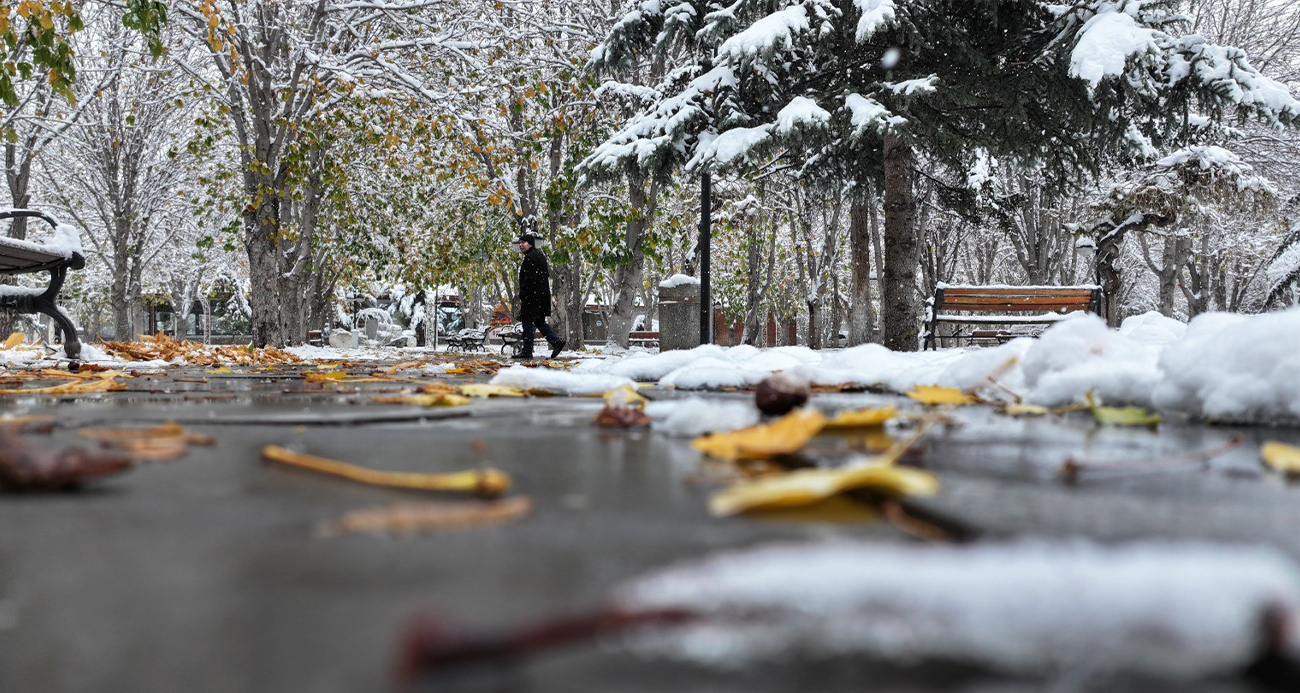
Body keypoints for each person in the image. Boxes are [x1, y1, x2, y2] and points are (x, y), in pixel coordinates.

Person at [514, 233, 565, 359]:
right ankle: (556, 342)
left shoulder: (530, 257)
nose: (520, 245)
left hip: (532, 297)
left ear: (530, 243)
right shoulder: (539, 256)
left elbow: (528, 279)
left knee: (527, 322)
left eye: (523, 242)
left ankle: (527, 350)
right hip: (541, 296)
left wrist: (524, 294)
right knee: (539, 321)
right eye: (520, 242)